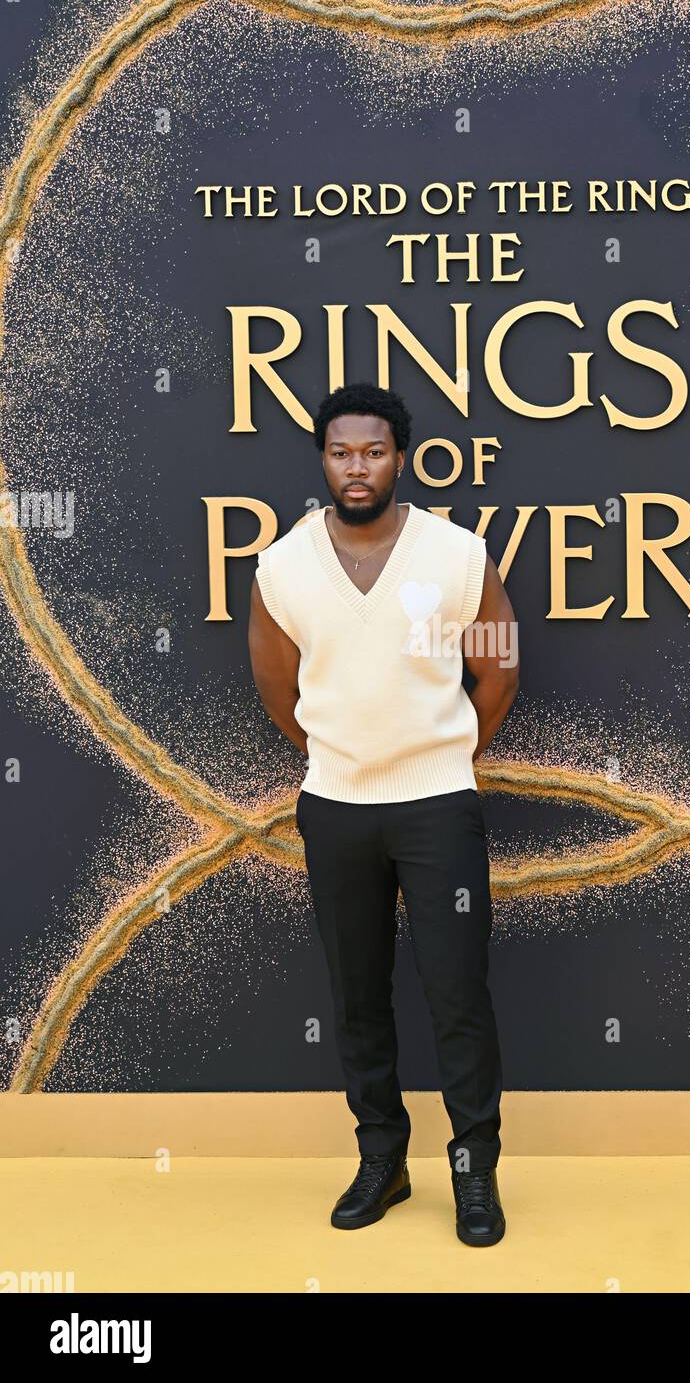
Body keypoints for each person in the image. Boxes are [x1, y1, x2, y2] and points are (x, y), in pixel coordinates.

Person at [248, 382, 519, 1246]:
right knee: (357, 997)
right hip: (335, 810)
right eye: (340, 451)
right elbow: (278, 692)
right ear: (322, 459)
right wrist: (345, 757)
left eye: (372, 451)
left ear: (400, 457)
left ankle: (475, 1177)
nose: (355, 466)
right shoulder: (282, 568)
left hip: (439, 808)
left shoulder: (457, 555)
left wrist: (442, 756)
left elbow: (500, 668)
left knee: (457, 997)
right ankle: (383, 1163)